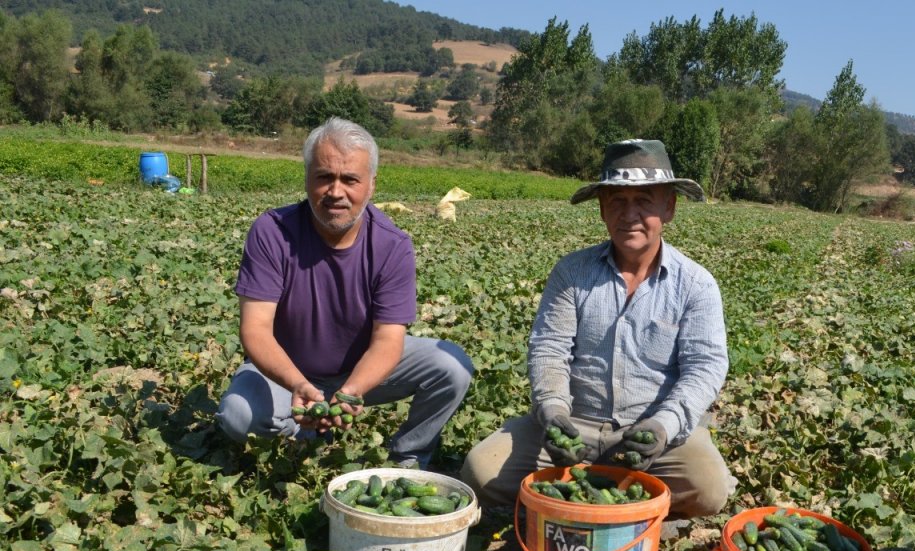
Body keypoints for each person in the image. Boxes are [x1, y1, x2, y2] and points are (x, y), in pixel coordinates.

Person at [461, 138, 734, 517]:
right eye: (617, 201)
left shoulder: (695, 284)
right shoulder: (572, 273)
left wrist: (662, 427)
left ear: (668, 207)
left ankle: (582, 496)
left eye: (644, 201)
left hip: (652, 431)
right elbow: (550, 350)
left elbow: (704, 368)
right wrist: (554, 413)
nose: (629, 214)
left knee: (708, 489)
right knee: (482, 472)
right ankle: (606, 494)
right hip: (576, 424)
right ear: (602, 209)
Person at [216, 117, 473, 469]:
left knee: (451, 367)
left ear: (371, 185)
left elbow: (387, 341)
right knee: (237, 415)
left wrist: (352, 390)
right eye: (324, 177)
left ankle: (409, 455)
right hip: (285, 370)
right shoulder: (272, 232)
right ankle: (302, 435)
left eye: (350, 179)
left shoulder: (392, 245)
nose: (336, 192)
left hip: (359, 365)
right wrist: (297, 383)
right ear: (307, 178)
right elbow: (255, 330)